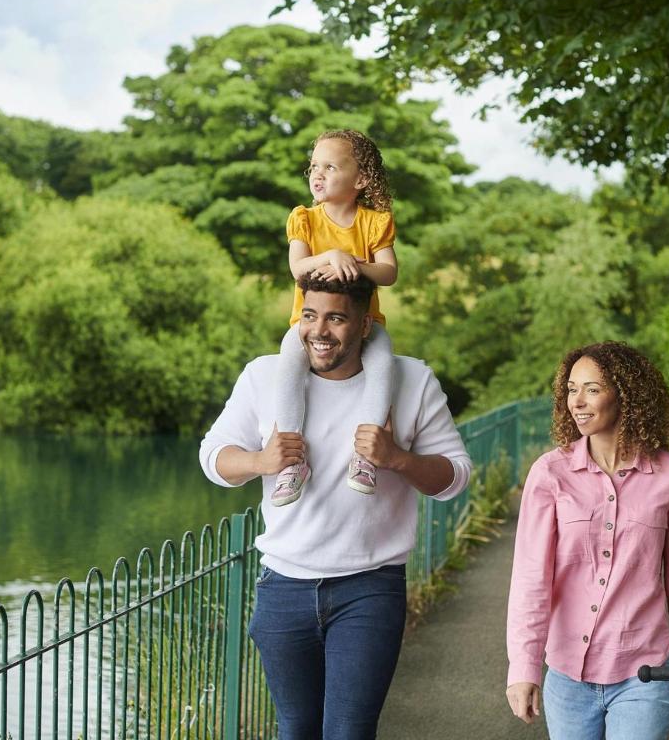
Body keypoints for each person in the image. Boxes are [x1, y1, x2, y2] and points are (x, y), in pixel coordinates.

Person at [199, 273, 472, 740]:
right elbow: (213, 456)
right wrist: (260, 460)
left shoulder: (412, 379)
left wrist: (398, 459)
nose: (318, 331)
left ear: (366, 324)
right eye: (309, 315)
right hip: (283, 586)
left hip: (370, 587)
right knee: (296, 728)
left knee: (349, 730)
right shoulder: (263, 375)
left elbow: (456, 477)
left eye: (336, 318)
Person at [505, 341, 669, 739]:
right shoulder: (550, 474)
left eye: (592, 388)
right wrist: (524, 667)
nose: (577, 401)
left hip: (646, 673)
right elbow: (532, 578)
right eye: (571, 389)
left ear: (626, 394)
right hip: (568, 676)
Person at [271, 128, 399, 507]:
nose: (318, 174)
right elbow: (298, 267)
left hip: (364, 325)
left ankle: (365, 454)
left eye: (330, 166)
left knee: (382, 364)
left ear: (360, 179)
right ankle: (292, 461)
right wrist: (331, 257)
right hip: (307, 325)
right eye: (314, 166)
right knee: (288, 366)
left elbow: (389, 272)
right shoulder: (305, 219)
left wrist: (355, 264)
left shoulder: (374, 223)